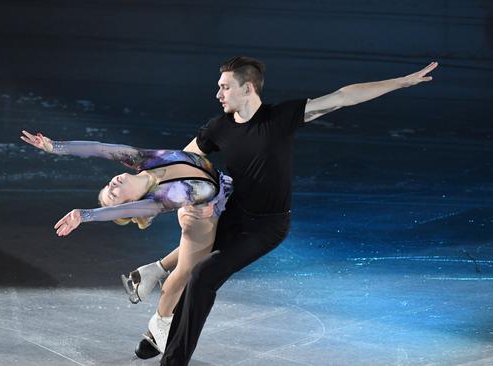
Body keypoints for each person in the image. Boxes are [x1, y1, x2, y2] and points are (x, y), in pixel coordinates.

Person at [156, 56, 438, 365]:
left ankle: (170, 354)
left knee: (201, 275)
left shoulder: (280, 118)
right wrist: (149, 185)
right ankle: (159, 333)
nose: (218, 94)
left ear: (247, 88)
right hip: (232, 217)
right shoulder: (218, 127)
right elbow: (180, 160)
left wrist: (401, 81)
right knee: (194, 274)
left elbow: (344, 97)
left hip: (267, 228)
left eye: (225, 87)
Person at [19, 131, 232, 354]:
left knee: (215, 247)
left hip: (225, 194)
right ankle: (161, 322)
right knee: (186, 273)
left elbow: (99, 148)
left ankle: (152, 271)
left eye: (107, 186)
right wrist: (84, 215)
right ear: (128, 203)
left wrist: (55, 147)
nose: (111, 184)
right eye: (114, 194)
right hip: (202, 217)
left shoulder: (144, 159)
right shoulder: (156, 201)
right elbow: (125, 211)